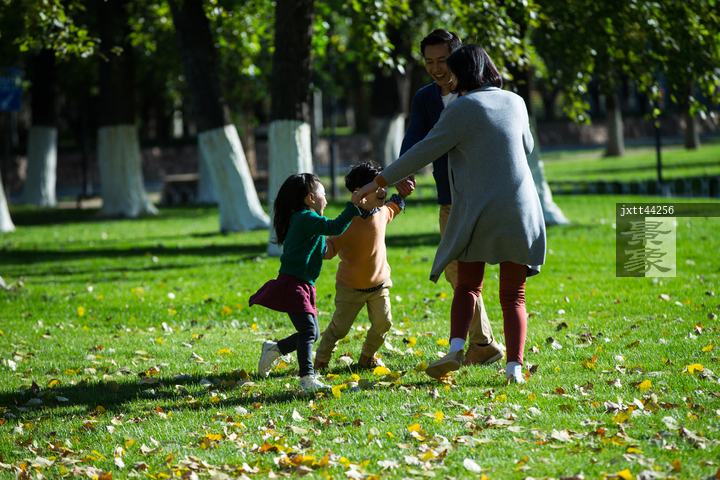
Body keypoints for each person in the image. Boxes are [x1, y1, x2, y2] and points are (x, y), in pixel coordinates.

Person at [357, 45, 546, 384]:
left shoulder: (461, 108)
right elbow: (527, 146)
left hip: (478, 211)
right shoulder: (516, 101)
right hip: (522, 209)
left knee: (468, 285)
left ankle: (456, 350)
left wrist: (377, 182)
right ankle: (514, 370)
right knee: (513, 295)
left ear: (463, 73)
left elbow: (423, 151)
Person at [399, 29, 503, 367]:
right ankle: (483, 344)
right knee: (458, 272)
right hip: (450, 199)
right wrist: (404, 170)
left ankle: (483, 344)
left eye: (442, 60)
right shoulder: (425, 97)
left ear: (458, 58)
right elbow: (415, 136)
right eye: (429, 62)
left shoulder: (479, 95)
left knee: (466, 273)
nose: (435, 68)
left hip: (486, 198)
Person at [250, 173, 363, 392]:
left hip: (303, 285)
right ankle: (306, 378)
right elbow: (335, 227)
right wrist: (352, 207)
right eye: (324, 194)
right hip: (294, 285)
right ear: (311, 198)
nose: (326, 200)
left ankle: (275, 349)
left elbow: (319, 247)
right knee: (309, 332)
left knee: (312, 333)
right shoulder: (305, 217)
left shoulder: (305, 220)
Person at [313, 162, 416, 372]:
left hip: (380, 285)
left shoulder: (381, 212)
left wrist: (402, 194)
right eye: (377, 187)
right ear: (360, 193)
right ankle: (321, 360)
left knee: (384, 323)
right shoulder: (346, 220)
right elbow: (331, 247)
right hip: (350, 288)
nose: (383, 191)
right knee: (339, 329)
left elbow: (392, 209)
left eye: (384, 186)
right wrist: (315, 246)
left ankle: (367, 357)